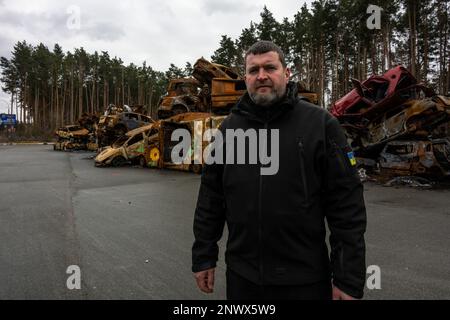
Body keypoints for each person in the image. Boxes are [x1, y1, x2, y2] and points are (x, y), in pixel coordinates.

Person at [192, 40, 367, 300]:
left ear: (286, 73)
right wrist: (204, 255)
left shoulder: (320, 125)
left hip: (304, 281)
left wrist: (348, 277)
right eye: (253, 70)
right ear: (246, 78)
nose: (261, 76)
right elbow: (211, 197)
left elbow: (346, 206)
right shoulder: (229, 130)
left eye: (269, 67)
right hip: (243, 279)